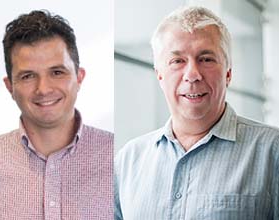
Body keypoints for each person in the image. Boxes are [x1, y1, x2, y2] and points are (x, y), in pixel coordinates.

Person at [115, 6, 278, 220]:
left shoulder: (272, 151)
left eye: (206, 59)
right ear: (160, 75)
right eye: (177, 61)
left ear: (228, 73)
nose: (192, 74)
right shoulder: (127, 161)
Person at [0, 10, 113, 220]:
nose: (43, 89)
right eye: (27, 76)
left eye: (57, 72)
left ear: (79, 77)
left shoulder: (119, 161)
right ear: (10, 87)